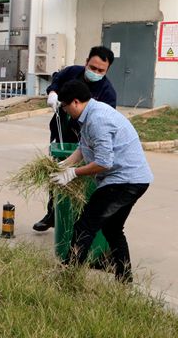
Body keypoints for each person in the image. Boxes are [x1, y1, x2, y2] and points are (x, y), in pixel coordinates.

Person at [50, 80, 152, 282]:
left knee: (85, 226)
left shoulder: (98, 119)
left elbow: (104, 162)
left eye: (65, 106)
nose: (65, 111)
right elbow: (83, 147)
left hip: (124, 181)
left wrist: (73, 173)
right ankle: (124, 280)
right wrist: (64, 165)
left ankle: (68, 277)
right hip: (131, 179)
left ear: (76, 102)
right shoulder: (90, 113)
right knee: (112, 229)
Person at [33, 45, 117, 231]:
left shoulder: (107, 93)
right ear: (86, 62)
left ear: (107, 70)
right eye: (92, 67)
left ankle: (79, 219)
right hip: (62, 131)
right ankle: (52, 214)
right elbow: (57, 79)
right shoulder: (72, 72)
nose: (95, 72)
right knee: (58, 172)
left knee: (81, 179)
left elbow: (107, 123)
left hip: (86, 138)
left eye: (101, 70)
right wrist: (53, 93)